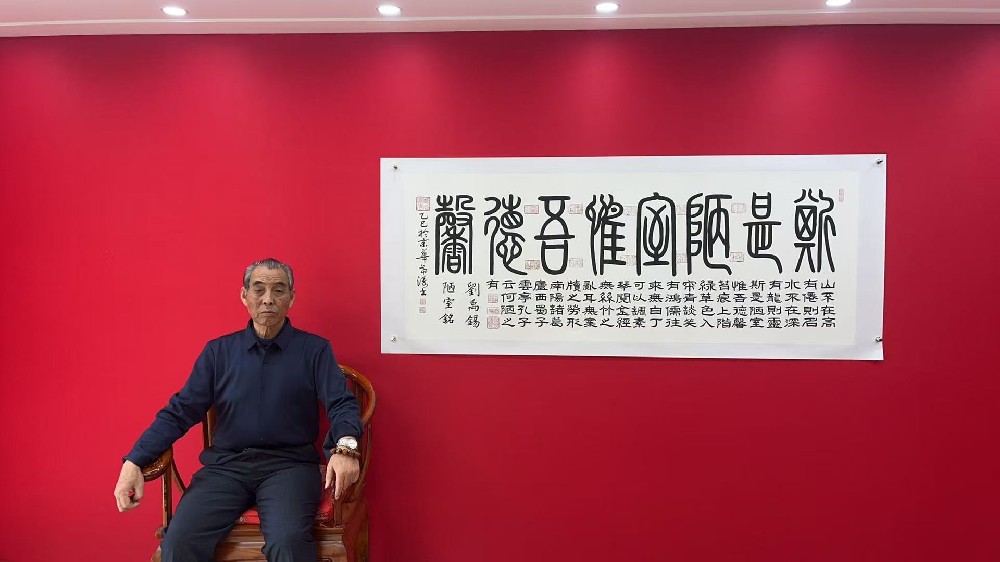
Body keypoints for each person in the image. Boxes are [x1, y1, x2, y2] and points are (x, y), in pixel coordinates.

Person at [113, 258, 362, 562]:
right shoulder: (218, 352)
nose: (268, 299)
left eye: (278, 290)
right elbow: (181, 410)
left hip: (289, 468)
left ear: (292, 297)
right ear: (244, 296)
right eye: (259, 289)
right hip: (225, 468)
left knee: (289, 543)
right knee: (179, 542)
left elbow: (342, 403)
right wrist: (134, 460)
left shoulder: (315, 350)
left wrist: (346, 447)